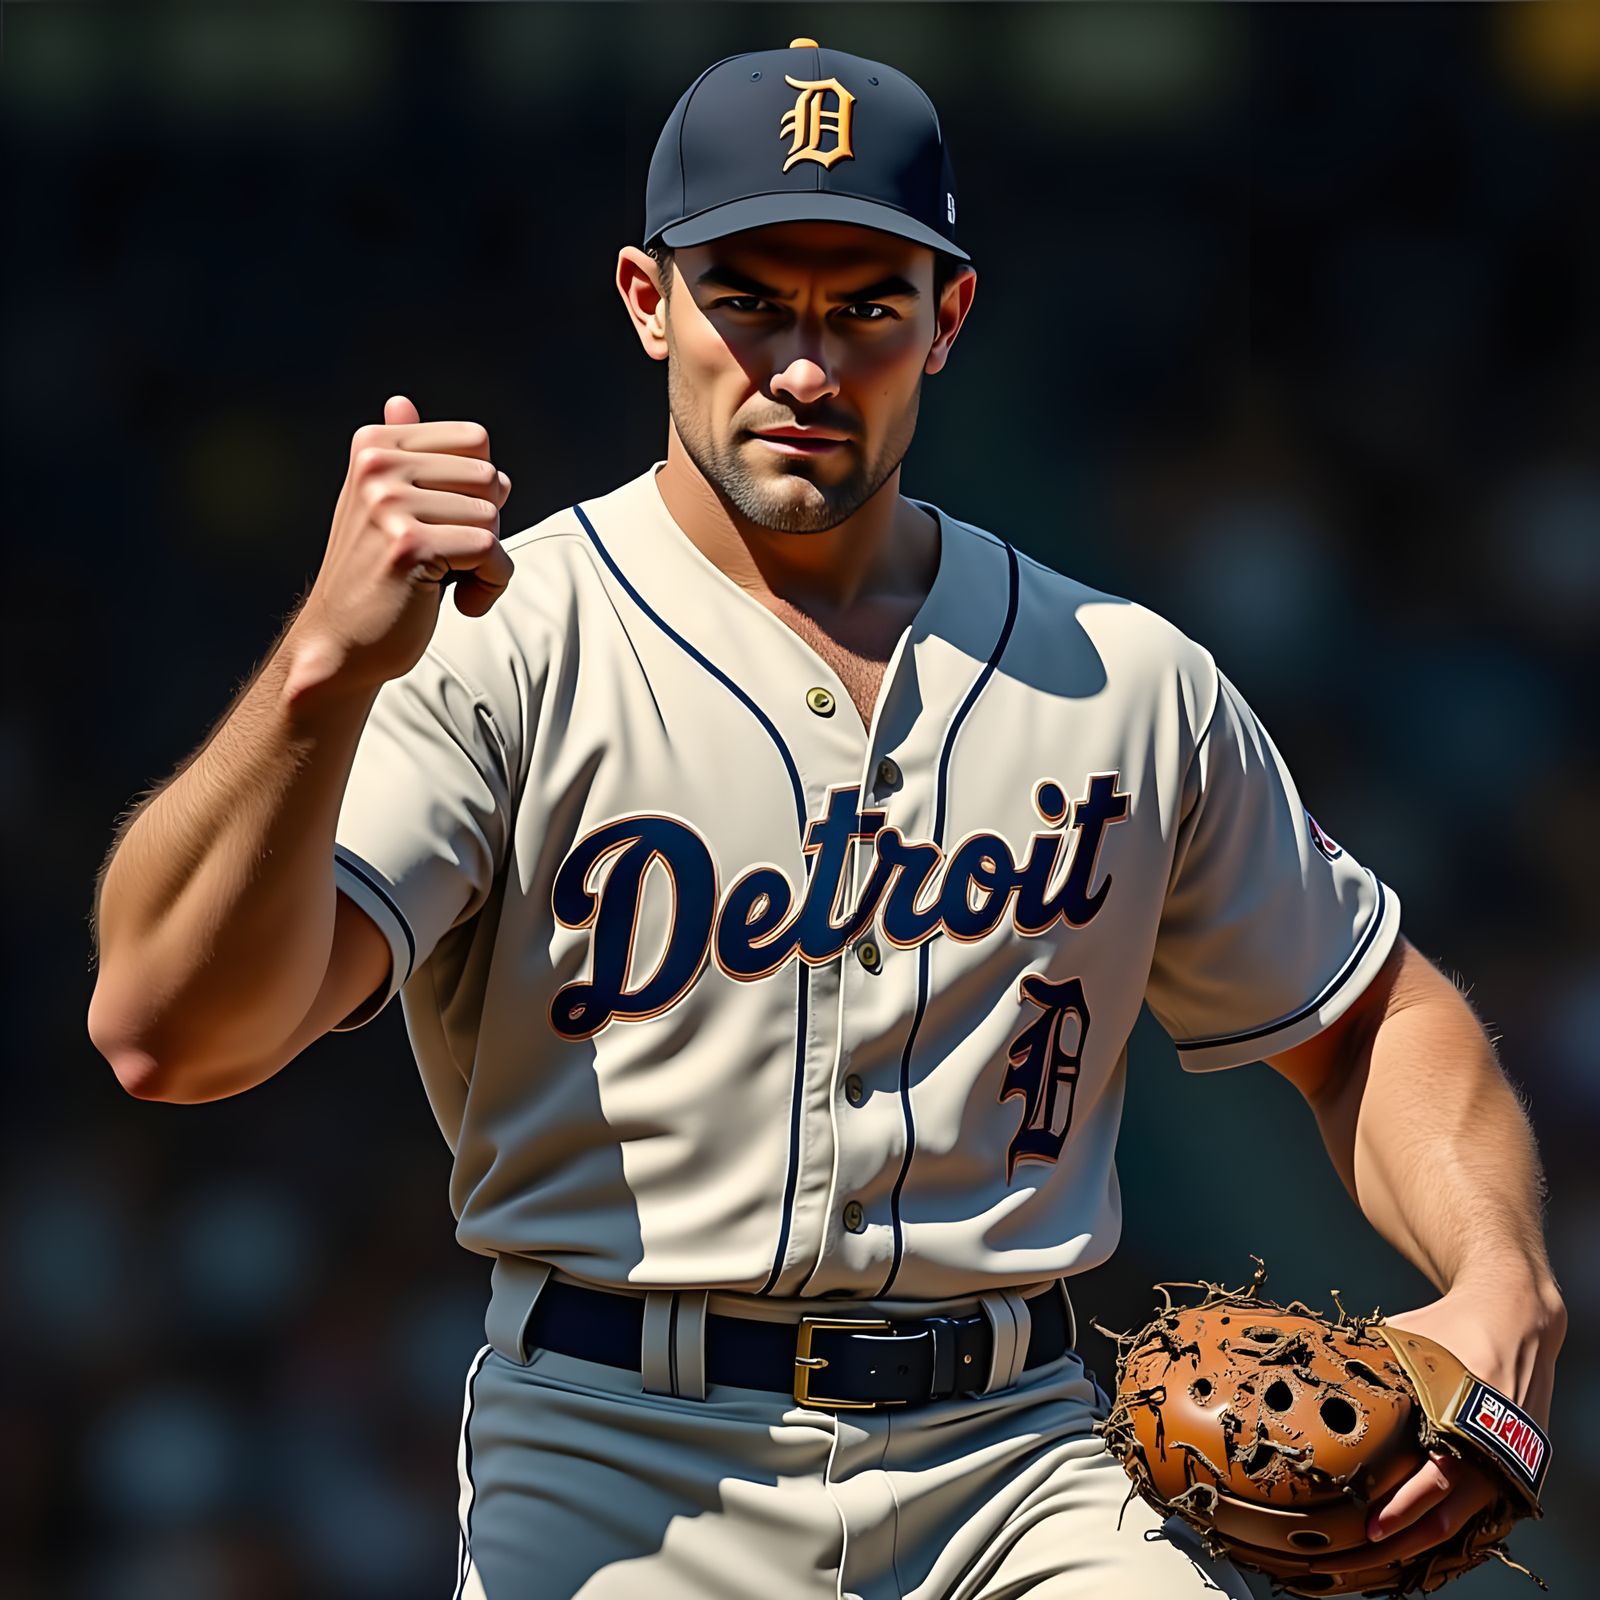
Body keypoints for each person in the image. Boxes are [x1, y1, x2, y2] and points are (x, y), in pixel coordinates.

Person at [88, 37, 1564, 1600]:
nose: (805, 364)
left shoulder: (1127, 679)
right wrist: (319, 671)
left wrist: (1501, 1274)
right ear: (649, 302)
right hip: (614, 1458)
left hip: (1015, 1460)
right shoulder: (507, 638)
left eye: (865, 303)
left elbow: (1368, 1010)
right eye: (750, 298)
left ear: (949, 319)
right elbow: (170, 1037)